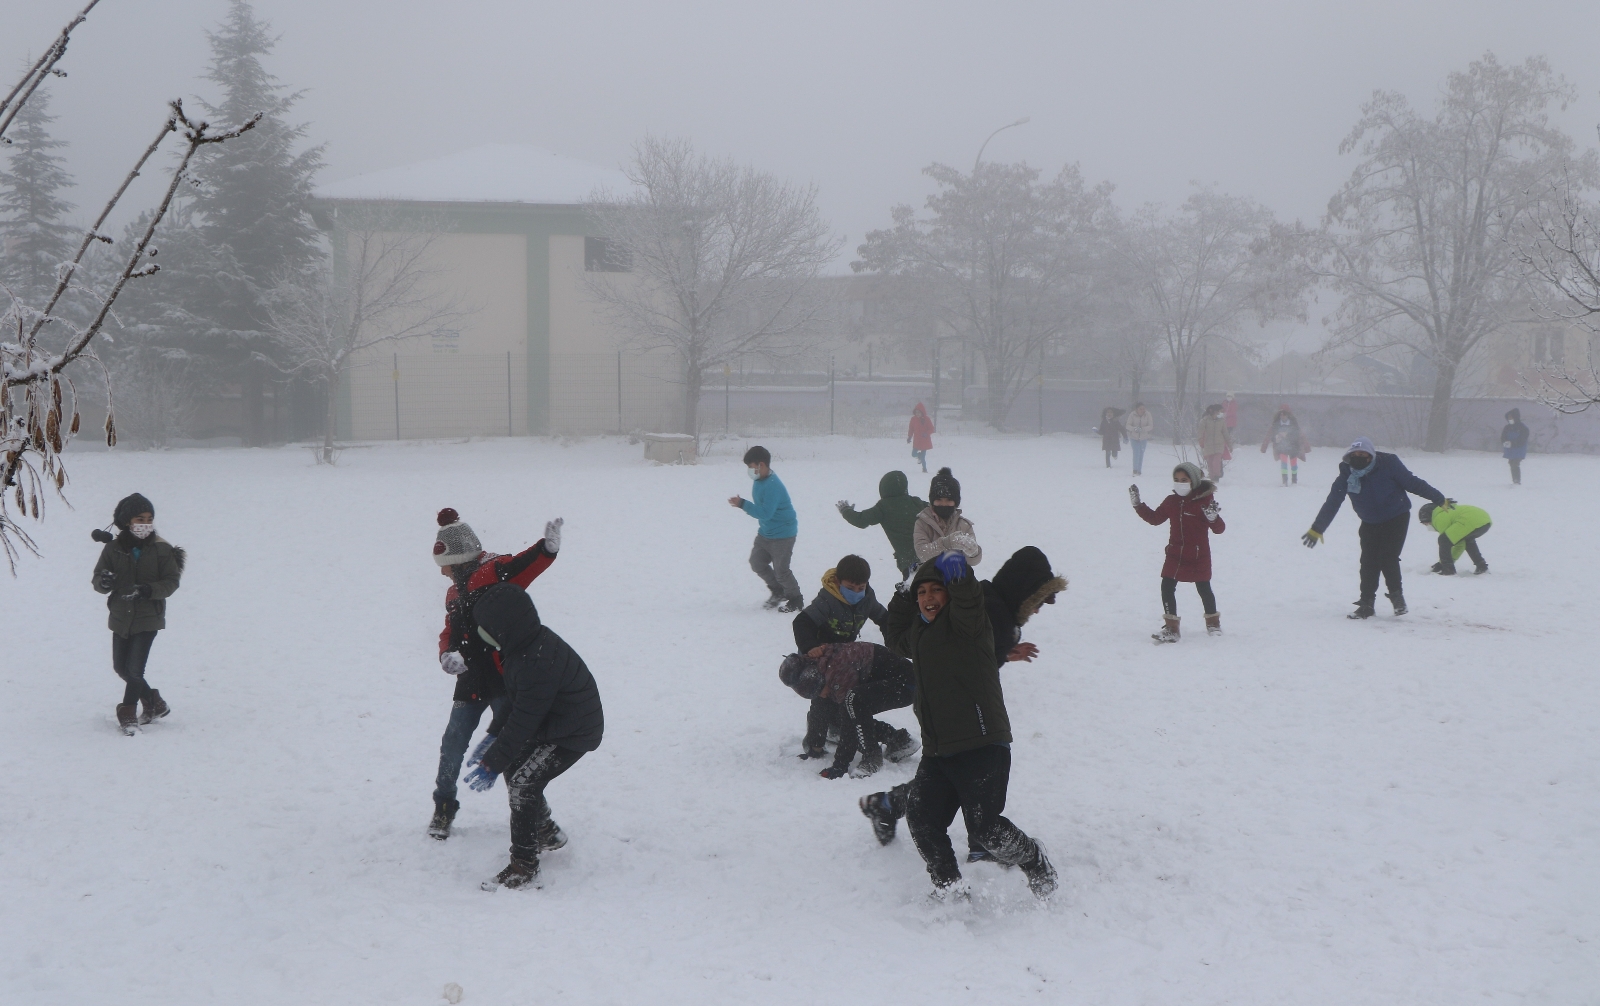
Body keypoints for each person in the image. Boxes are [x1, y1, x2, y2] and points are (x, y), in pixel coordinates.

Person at [859, 545, 1067, 862]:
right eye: (1038, 600)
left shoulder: (999, 610)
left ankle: (888, 804)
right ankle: (977, 844)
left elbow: (974, 656)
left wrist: (1006, 653)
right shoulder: (993, 610)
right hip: (959, 712)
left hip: (952, 711)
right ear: (1024, 590)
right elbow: (967, 651)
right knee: (960, 779)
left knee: (949, 779)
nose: (1038, 609)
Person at [427, 508, 563, 841]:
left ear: (458, 559)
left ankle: (540, 820)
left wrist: (547, 548)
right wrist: (446, 653)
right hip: (470, 681)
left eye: (444, 564)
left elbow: (526, 564)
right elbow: (450, 630)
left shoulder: (495, 571)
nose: (442, 572)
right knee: (452, 744)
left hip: (506, 679)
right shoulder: (453, 593)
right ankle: (444, 806)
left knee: (513, 751)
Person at [464, 583, 604, 892]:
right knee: (516, 766)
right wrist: (493, 737)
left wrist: (493, 761)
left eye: (486, 628)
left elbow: (525, 720)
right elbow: (516, 702)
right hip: (553, 722)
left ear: (503, 627)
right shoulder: (524, 648)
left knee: (523, 783)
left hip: (574, 731)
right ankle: (544, 830)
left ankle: (524, 867)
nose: (482, 633)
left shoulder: (534, 661)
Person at [1302, 437, 1446, 619]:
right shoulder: (1347, 474)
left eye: (1363, 454)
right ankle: (1366, 604)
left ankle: (1397, 597)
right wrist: (1317, 528)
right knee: (1368, 561)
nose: (1358, 458)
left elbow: (1412, 483)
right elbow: (1333, 501)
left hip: (1396, 516)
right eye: (1354, 455)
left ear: (1371, 456)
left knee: (1388, 557)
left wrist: (1439, 499)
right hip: (1370, 520)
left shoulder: (1389, 464)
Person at [90, 493, 184, 735]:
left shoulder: (162, 549)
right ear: (126, 521)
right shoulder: (112, 549)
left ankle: (128, 713)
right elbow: (98, 579)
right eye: (139, 518)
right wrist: (105, 582)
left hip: (148, 616)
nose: (145, 524)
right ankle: (155, 703)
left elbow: (172, 582)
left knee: (134, 670)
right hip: (121, 616)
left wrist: (149, 590)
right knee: (121, 668)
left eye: (149, 519)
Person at [792, 554, 889, 760]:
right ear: (838, 582)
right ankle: (814, 745)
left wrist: (896, 640)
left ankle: (837, 729)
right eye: (850, 587)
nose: (856, 592)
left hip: (845, 659)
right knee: (823, 697)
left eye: (860, 588)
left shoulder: (867, 599)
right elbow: (801, 622)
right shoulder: (827, 601)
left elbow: (884, 618)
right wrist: (811, 647)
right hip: (821, 658)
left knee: (846, 700)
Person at [779, 643, 918, 780]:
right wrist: (814, 748)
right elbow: (820, 706)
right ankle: (898, 739)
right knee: (836, 707)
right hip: (884, 680)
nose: (820, 694)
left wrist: (840, 766)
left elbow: (849, 724)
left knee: (852, 703)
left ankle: (872, 757)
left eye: (818, 688)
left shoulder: (838, 671)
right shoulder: (818, 663)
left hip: (906, 684)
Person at [1130, 463, 1225, 643]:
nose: (1179, 483)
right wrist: (1138, 505)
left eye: (1184, 480)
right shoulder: (1171, 501)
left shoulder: (1205, 502)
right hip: (1175, 553)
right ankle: (1171, 628)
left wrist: (1214, 518)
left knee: (1204, 588)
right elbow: (1155, 518)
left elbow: (1219, 529)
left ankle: (1213, 624)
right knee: (1167, 586)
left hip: (1198, 554)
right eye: (1176, 480)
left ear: (1193, 481)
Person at [729, 445, 802, 612]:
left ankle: (796, 599)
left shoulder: (773, 485)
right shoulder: (759, 481)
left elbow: (766, 512)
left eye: (751, 467)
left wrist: (743, 504)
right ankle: (778, 591)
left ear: (761, 465)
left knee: (782, 570)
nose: (749, 470)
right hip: (766, 533)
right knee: (757, 562)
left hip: (784, 534)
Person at [836, 471, 927, 584]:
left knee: (913, 591)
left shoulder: (883, 507)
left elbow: (861, 521)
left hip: (908, 562)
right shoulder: (916, 502)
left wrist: (846, 511)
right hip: (928, 556)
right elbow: (937, 511)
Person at [913, 468, 982, 567]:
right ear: (932, 501)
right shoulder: (922, 523)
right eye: (939, 499)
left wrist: (974, 552)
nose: (943, 504)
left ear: (956, 502)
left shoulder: (964, 525)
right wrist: (945, 543)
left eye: (949, 500)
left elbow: (973, 562)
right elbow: (923, 554)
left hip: (958, 578)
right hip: (930, 577)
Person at [1420, 501, 1491, 576]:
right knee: (1467, 540)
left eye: (1426, 523)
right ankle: (1482, 566)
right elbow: (1460, 543)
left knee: (1443, 540)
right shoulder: (1446, 512)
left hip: (1469, 520)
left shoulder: (1438, 518)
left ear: (1429, 516)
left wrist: (1442, 564)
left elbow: (1451, 543)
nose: (1427, 525)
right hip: (1485, 521)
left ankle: (1448, 570)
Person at [1259, 404, 1310, 486]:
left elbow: (1298, 434)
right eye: (1281, 414)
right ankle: (1285, 481)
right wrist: (1276, 437)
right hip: (1281, 447)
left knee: (1293, 464)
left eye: (1284, 414)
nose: (1282, 416)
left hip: (1293, 446)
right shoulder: (1276, 424)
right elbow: (1270, 435)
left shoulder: (1294, 423)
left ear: (1288, 415)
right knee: (1284, 464)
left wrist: (1287, 435)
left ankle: (1294, 481)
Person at [1197, 403, 1231, 482]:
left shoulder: (1221, 421)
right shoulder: (1205, 421)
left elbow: (1225, 433)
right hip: (1208, 445)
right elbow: (1200, 431)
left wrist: (1229, 444)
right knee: (1210, 463)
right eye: (1220, 411)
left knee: (1216, 462)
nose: (1221, 413)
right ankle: (1213, 479)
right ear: (1215, 412)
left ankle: (1217, 475)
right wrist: (1200, 440)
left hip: (1219, 445)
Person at [1501, 408, 1529, 485]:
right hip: (1510, 450)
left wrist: (1512, 444)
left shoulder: (1523, 428)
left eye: (1511, 417)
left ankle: (1517, 480)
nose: (1510, 419)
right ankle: (1515, 480)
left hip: (1519, 449)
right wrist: (1504, 442)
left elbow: (1522, 439)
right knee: (1511, 463)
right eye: (1509, 418)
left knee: (1515, 464)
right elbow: (1503, 437)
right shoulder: (1507, 427)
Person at [1125, 402, 1155, 476]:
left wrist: (1142, 429)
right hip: (1134, 437)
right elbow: (1127, 425)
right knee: (1136, 453)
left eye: (1143, 409)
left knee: (1141, 453)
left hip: (1143, 437)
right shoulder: (1132, 415)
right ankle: (1135, 470)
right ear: (1136, 409)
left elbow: (1150, 426)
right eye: (1140, 409)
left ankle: (1139, 470)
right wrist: (1134, 429)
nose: (1142, 410)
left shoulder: (1148, 415)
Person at [907, 402, 935, 473]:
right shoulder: (913, 419)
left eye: (919, 412)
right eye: (916, 412)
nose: (917, 414)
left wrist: (927, 433)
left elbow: (931, 429)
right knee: (913, 454)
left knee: (923, 457)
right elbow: (911, 429)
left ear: (922, 412)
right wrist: (909, 436)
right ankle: (918, 456)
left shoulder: (927, 419)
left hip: (925, 440)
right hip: (917, 440)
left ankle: (924, 469)